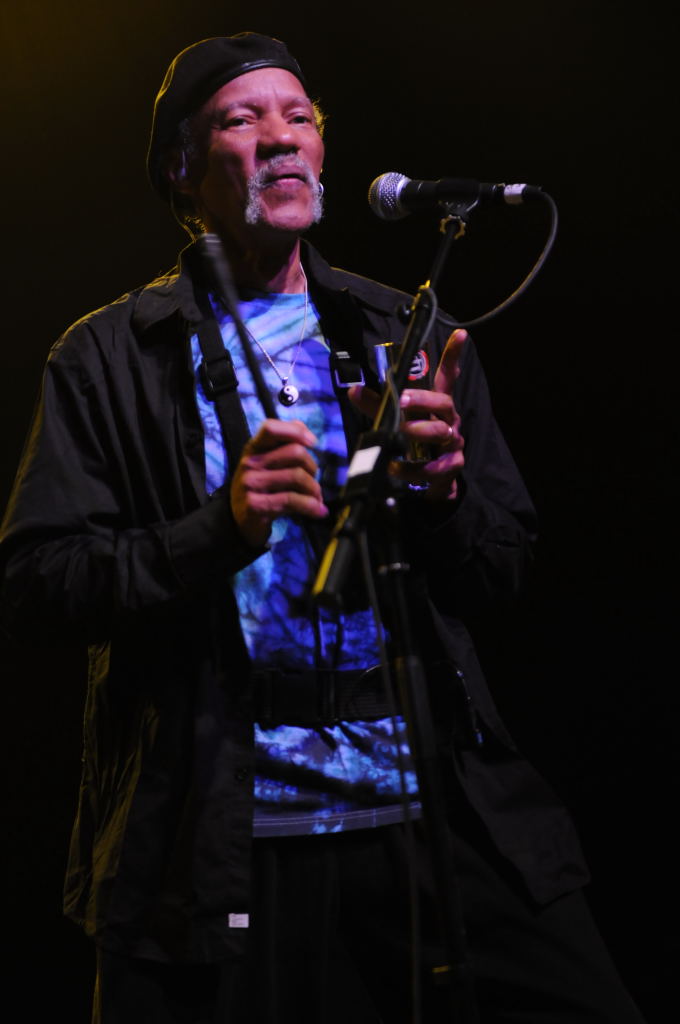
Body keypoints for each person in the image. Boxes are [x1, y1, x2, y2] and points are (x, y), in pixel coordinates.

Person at [0, 31, 647, 1024]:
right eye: (241, 118)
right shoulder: (109, 357)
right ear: (181, 168)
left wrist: (441, 499)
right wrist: (220, 527)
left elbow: (503, 569)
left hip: (426, 806)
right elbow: (41, 583)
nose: (280, 137)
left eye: (298, 116)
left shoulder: (406, 336)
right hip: (221, 835)